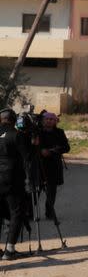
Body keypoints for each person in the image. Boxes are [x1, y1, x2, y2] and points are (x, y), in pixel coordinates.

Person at [0, 109, 28, 260]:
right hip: (12, 179)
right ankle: (9, 250)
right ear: (14, 120)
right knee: (16, 212)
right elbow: (27, 156)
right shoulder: (17, 135)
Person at [38, 112, 70, 220]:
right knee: (35, 190)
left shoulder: (59, 132)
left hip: (53, 166)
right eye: (47, 119)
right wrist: (40, 151)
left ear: (55, 121)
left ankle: (49, 211)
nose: (49, 121)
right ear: (43, 121)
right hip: (39, 165)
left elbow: (66, 147)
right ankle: (30, 212)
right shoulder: (38, 132)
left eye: (52, 119)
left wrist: (53, 151)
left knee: (51, 191)